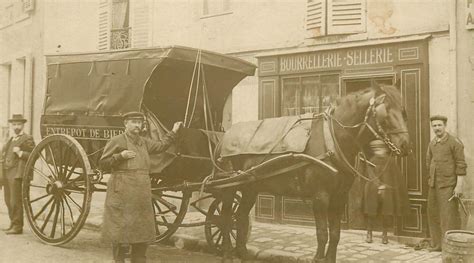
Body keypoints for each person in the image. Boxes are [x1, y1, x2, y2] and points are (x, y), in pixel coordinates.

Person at [99, 111, 183, 263]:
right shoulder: (117, 141)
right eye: (134, 122)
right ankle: (119, 260)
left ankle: (139, 259)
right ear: (126, 124)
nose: (138, 125)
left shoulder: (143, 142)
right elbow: (103, 163)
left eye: (140, 122)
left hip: (141, 191)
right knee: (121, 228)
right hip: (122, 189)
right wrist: (120, 156)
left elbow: (161, 146)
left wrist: (173, 132)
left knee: (141, 229)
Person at [426, 115, 467, 252]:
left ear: (445, 126)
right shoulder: (432, 143)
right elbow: (429, 161)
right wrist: (430, 178)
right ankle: (437, 244)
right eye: (434, 126)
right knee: (433, 214)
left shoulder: (454, 142)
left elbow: (461, 164)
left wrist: (459, 185)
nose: (437, 128)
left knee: (447, 217)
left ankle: (448, 246)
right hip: (433, 185)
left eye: (439, 125)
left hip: (448, 185)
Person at [363, 140, 410, 244]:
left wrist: (387, 186)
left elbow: (396, 176)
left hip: (387, 190)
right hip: (373, 189)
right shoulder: (371, 160)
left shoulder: (391, 161)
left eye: (380, 149)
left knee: (386, 212)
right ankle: (369, 232)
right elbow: (370, 175)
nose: (378, 151)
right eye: (376, 149)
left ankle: (384, 234)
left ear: (385, 149)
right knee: (371, 211)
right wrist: (378, 185)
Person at [0, 114, 35, 235]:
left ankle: (18, 226)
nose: (16, 127)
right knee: (8, 200)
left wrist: (20, 153)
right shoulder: (11, 139)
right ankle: (12, 223)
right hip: (7, 173)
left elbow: (34, 155)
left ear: (23, 125)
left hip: (17, 174)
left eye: (18, 124)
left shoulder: (27, 138)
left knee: (15, 200)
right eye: (14, 124)